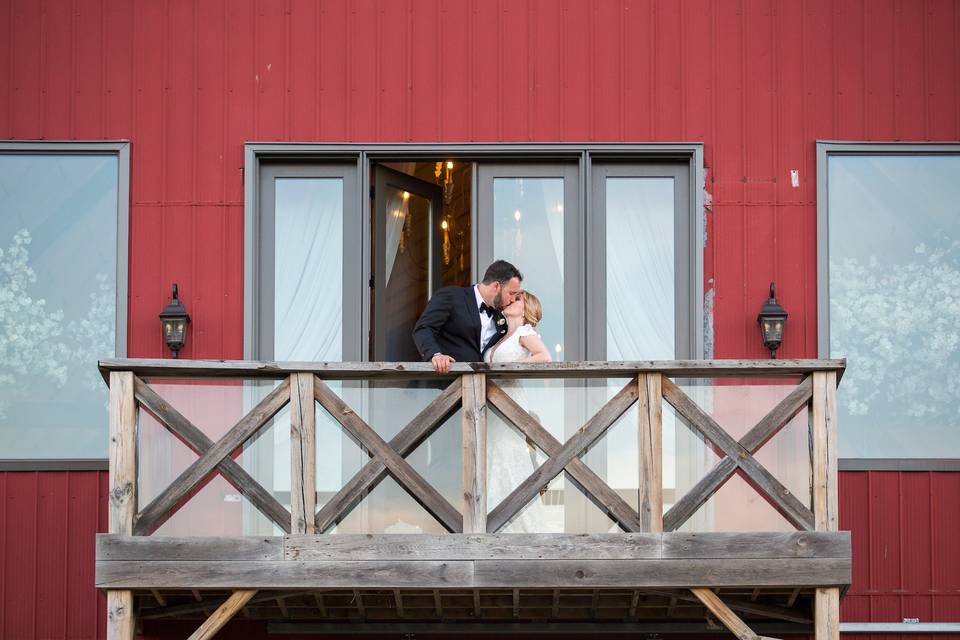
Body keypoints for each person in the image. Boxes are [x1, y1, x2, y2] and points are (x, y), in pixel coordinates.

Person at [484, 290, 552, 532]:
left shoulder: (524, 332)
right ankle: (493, 521)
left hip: (510, 401)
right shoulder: (500, 336)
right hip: (491, 405)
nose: (511, 300)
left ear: (527, 309)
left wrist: (511, 368)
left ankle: (516, 525)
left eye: (518, 299)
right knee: (493, 456)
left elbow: (544, 356)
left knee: (509, 455)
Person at [412, 260, 524, 373]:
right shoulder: (452, 296)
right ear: (496, 286)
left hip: (479, 386)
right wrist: (435, 355)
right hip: (442, 382)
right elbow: (423, 328)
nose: (513, 300)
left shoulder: (502, 317)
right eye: (511, 293)